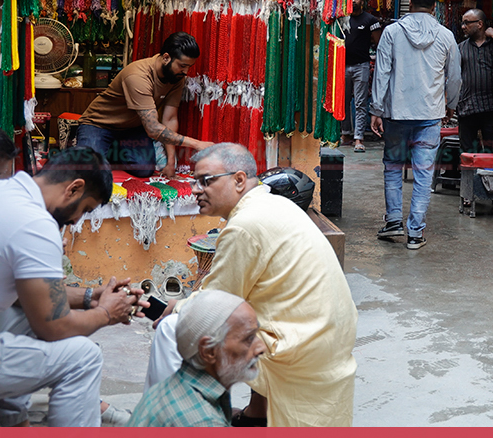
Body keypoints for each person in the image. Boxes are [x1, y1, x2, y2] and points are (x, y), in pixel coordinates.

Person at [146, 143, 357, 427]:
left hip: (299, 342)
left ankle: (169, 422)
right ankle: (257, 414)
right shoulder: (275, 203)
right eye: (195, 181)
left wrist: (177, 308)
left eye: (206, 181)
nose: (196, 190)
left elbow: (214, 304)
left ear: (239, 180)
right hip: (328, 334)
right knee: (251, 309)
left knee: (175, 329)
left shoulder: (244, 225)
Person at [0, 147, 142, 427]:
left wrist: (91, 297)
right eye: (85, 210)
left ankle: (15, 422)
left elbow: (28, 298)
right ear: (74, 188)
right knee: (83, 356)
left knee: (25, 319)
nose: (76, 221)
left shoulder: (0, 192)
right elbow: (54, 325)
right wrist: (107, 313)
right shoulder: (36, 224)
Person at [369, 0, 461, 250]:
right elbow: (454, 77)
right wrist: (450, 104)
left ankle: (394, 221)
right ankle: (416, 233)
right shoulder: (446, 36)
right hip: (430, 114)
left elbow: (382, 72)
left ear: (409, 3)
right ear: (435, 7)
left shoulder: (392, 33)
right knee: (423, 173)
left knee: (393, 167)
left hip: (396, 113)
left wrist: (376, 109)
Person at [77, 32, 213, 178]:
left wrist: (170, 163)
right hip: (99, 124)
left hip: (131, 128)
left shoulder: (176, 77)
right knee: (90, 173)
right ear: (166, 57)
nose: (186, 72)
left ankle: (111, 151)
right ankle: (100, 150)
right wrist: (197, 144)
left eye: (189, 66)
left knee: (144, 170)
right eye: (182, 66)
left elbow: (170, 119)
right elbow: (153, 129)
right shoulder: (138, 76)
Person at [128, 291, 264, 427]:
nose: (261, 347)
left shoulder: (169, 387)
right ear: (209, 351)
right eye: (249, 339)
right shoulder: (204, 423)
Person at [457, 8, 493, 209]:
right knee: (468, 152)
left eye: (467, 22)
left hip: (490, 107)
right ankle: (468, 193)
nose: (463, 26)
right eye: (463, 22)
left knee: (491, 151)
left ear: (480, 24)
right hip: (466, 106)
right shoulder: (460, 48)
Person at [343, 0, 383, 153]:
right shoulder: (342, 19)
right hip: (343, 66)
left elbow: (378, 42)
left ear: (362, 1)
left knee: (360, 103)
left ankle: (358, 138)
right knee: (343, 102)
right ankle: (345, 135)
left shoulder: (370, 20)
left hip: (361, 66)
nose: (353, 1)